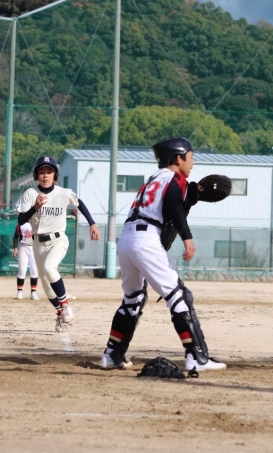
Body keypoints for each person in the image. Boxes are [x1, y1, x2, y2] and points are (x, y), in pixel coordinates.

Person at [99, 137, 226, 372]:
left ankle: (112, 354)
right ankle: (196, 357)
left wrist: (195, 194)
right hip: (146, 239)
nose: (193, 163)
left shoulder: (154, 179)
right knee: (179, 296)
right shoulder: (175, 178)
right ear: (178, 159)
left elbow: (176, 200)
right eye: (191, 157)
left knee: (133, 298)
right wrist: (187, 237)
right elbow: (174, 204)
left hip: (127, 238)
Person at [17, 155, 100, 332]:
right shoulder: (30, 194)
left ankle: (65, 304)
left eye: (49, 172)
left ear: (55, 175)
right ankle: (60, 313)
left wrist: (92, 223)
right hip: (38, 243)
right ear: (36, 175)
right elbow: (21, 219)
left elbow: (79, 204)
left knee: (50, 267)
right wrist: (35, 208)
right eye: (42, 172)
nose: (45, 175)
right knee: (47, 289)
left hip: (58, 239)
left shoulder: (64, 193)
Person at [12, 221, 39, 300]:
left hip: (34, 247)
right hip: (23, 246)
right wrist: (15, 248)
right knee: (22, 270)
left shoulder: (36, 224)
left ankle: (33, 292)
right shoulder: (21, 225)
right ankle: (19, 291)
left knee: (34, 270)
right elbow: (16, 237)